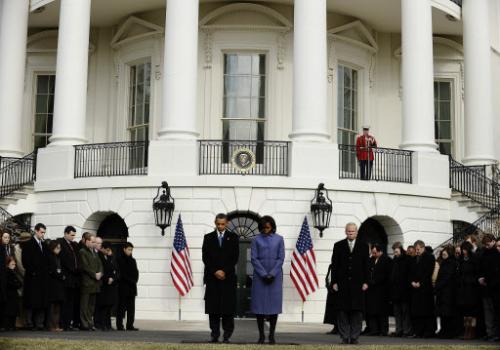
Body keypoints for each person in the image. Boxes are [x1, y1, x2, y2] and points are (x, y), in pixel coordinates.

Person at [202, 213, 239, 343]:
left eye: (223, 224)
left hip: (227, 279)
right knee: (214, 309)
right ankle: (215, 334)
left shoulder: (233, 237)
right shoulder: (208, 238)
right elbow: (205, 258)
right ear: (215, 223)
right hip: (212, 279)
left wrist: (224, 271)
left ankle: (227, 335)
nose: (220, 226)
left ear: (227, 223)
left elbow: (235, 258)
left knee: (227, 309)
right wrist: (215, 271)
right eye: (218, 224)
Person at [331, 222, 369, 344]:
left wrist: (366, 282)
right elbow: (335, 266)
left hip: (358, 285)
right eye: (349, 231)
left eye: (353, 231)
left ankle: (354, 337)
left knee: (356, 312)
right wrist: (334, 282)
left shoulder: (363, 246)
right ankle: (344, 336)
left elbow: (366, 266)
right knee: (342, 312)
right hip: (342, 285)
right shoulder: (338, 246)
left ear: (356, 232)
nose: (351, 233)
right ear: (345, 232)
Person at [250, 216, 285, 344]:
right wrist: (264, 274)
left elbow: (280, 258)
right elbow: (254, 258)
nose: (266, 230)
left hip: (275, 278)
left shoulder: (279, 239)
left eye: (268, 227)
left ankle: (271, 335)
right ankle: (261, 335)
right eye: (264, 228)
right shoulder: (255, 240)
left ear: (272, 226)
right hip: (260, 278)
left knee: (274, 308)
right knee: (259, 308)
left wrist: (273, 273)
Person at [22, 223, 49, 330]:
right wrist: (33, 272)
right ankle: (30, 323)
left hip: (42, 278)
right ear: (36, 231)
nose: (43, 235)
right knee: (32, 302)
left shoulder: (44, 245)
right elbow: (26, 261)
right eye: (41, 232)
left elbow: (47, 261)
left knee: (41, 302)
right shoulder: (29, 244)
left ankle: (39, 323)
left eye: (44, 233)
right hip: (33, 278)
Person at [408, 240, 435, 338]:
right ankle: (418, 331)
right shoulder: (414, 259)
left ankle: (428, 331)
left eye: (418, 249)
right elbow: (410, 273)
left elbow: (428, 272)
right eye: (416, 249)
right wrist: (412, 282)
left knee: (426, 311)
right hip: (415, 289)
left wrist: (420, 283)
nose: (417, 251)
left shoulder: (430, 257)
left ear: (423, 248)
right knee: (417, 312)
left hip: (425, 289)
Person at [364, 244, 392, 336]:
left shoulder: (387, 260)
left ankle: (383, 330)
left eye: (375, 252)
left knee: (382, 312)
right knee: (372, 311)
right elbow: (367, 271)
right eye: (372, 252)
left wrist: (375, 281)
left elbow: (386, 275)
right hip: (371, 290)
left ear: (380, 251)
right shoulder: (371, 260)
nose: (373, 254)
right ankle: (374, 330)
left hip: (382, 290)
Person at [57, 226, 80, 331]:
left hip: (74, 278)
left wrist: (77, 269)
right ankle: (63, 323)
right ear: (66, 234)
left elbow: (77, 258)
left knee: (71, 302)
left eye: (74, 235)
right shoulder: (61, 243)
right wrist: (72, 269)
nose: (73, 237)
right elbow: (63, 259)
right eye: (71, 235)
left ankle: (69, 323)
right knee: (65, 302)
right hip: (66, 277)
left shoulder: (74, 245)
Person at [478, 234, 500, 342]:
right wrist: (481, 278)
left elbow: (495, 271)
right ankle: (490, 332)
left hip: (494, 288)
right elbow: (482, 268)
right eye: (485, 244)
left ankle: (495, 333)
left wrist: (485, 279)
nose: (487, 246)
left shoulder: (496, 254)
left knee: (495, 312)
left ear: (493, 241)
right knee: (488, 313)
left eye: (488, 244)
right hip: (486, 288)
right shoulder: (484, 254)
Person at [79, 232, 103, 331]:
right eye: (92, 241)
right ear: (86, 241)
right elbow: (85, 266)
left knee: (91, 305)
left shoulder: (94, 252)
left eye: (94, 242)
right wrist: (94, 274)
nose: (94, 244)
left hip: (95, 283)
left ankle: (89, 323)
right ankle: (84, 324)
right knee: (84, 305)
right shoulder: (82, 251)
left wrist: (100, 273)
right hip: (87, 282)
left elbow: (100, 264)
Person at [457, 241, 480, 340]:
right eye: (463, 249)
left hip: (472, 288)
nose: (464, 251)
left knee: (472, 311)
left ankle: (472, 331)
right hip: (463, 289)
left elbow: (477, 273)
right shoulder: (461, 260)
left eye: (465, 249)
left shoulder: (474, 259)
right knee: (465, 311)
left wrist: (470, 280)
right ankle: (466, 330)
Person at [434, 245, 459, 339]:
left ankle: (448, 332)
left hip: (448, 292)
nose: (443, 253)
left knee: (447, 313)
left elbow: (447, 277)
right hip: (443, 291)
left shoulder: (451, 263)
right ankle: (443, 331)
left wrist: (438, 286)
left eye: (445, 252)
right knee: (443, 313)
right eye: (443, 252)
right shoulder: (444, 262)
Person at [390, 243, 412, 338]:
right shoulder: (395, 260)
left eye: (396, 251)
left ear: (400, 249)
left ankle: (406, 331)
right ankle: (399, 330)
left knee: (405, 313)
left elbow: (408, 275)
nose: (395, 253)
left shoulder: (407, 259)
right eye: (394, 252)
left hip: (404, 290)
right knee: (397, 313)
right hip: (396, 291)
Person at [96, 241, 119, 331]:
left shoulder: (110, 257)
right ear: (102, 249)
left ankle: (108, 324)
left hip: (111, 284)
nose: (108, 251)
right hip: (103, 284)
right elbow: (102, 269)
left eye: (109, 250)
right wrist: (107, 279)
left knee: (109, 305)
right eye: (107, 250)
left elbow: (115, 269)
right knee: (103, 306)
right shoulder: (99, 256)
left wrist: (113, 278)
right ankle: (102, 324)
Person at [116, 242, 139, 331]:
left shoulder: (133, 260)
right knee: (121, 307)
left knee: (131, 308)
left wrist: (134, 280)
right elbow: (122, 274)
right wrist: (130, 280)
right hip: (123, 287)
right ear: (124, 249)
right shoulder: (119, 259)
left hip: (132, 287)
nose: (130, 251)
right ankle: (119, 325)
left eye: (131, 250)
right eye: (129, 249)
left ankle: (130, 325)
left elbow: (136, 273)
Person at [47, 240, 65, 332]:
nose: (59, 249)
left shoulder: (58, 257)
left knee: (58, 306)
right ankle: (51, 325)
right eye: (57, 248)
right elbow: (53, 271)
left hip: (59, 284)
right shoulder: (50, 257)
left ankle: (56, 324)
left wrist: (61, 274)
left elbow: (60, 270)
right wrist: (60, 274)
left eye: (60, 248)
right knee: (52, 306)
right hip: (52, 285)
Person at [3, 257, 22, 331]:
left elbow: (19, 283)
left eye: (14, 264)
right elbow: (11, 283)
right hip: (9, 294)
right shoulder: (7, 272)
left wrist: (16, 283)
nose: (14, 265)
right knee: (9, 311)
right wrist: (16, 284)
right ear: (8, 264)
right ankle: (8, 326)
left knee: (13, 311)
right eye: (12, 264)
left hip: (14, 294)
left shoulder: (14, 272)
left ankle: (12, 325)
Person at [323, 262, 338, 335]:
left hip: (338, 292)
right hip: (331, 292)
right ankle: (335, 327)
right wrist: (328, 286)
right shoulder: (331, 266)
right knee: (332, 310)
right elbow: (328, 277)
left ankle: (340, 327)